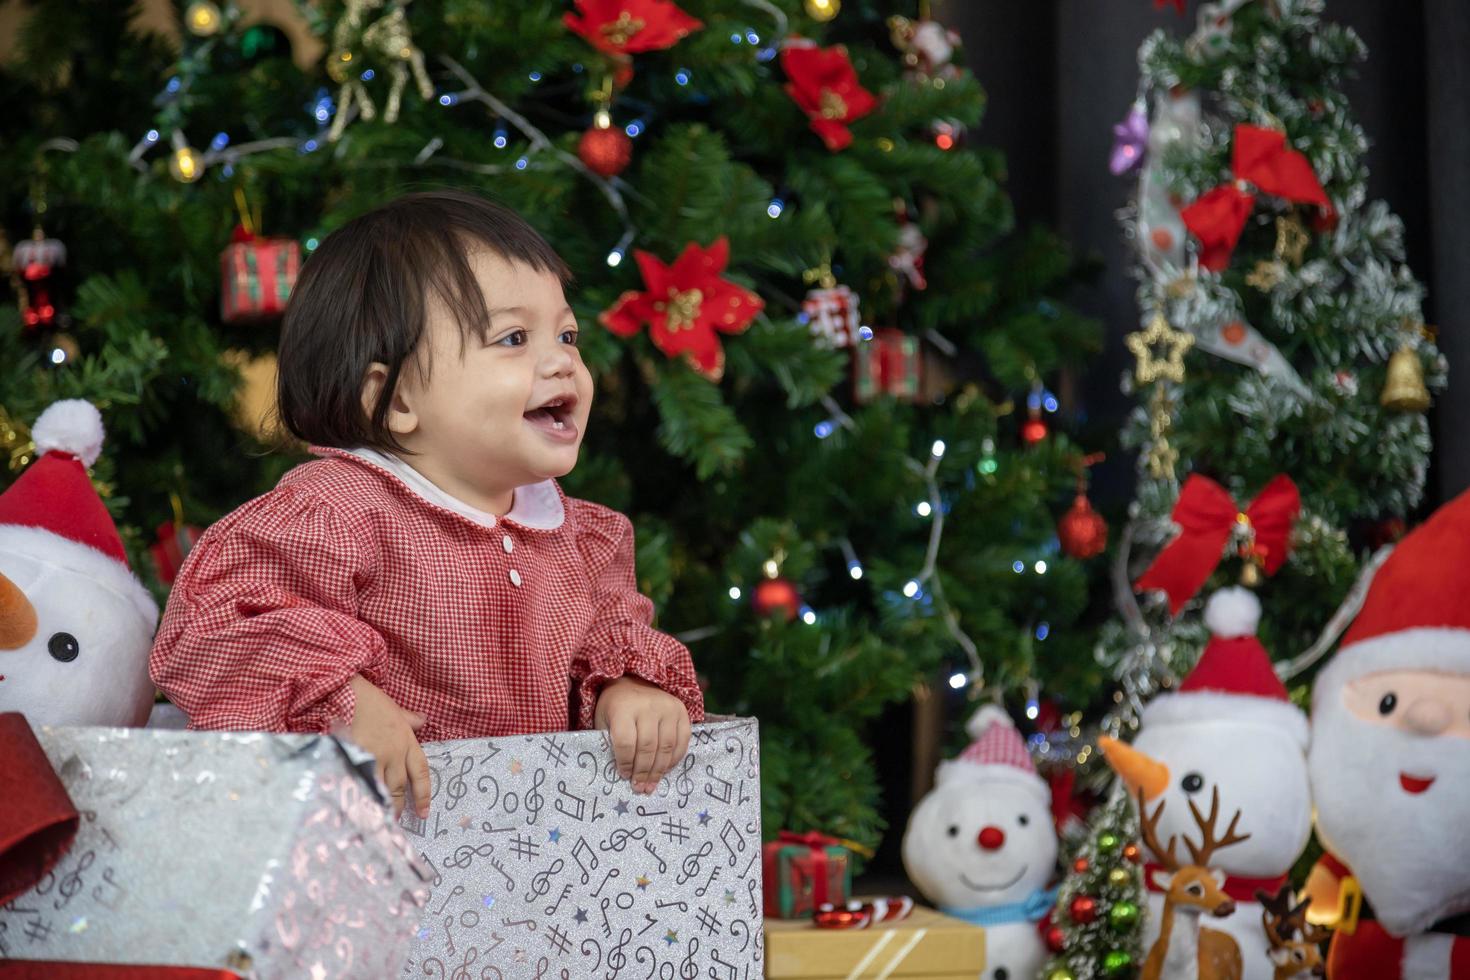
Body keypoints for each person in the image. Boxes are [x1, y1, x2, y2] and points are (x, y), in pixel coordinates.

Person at [150, 190, 704, 819]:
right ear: (394, 401)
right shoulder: (339, 512)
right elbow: (216, 627)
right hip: (372, 864)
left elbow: (608, 638)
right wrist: (343, 699)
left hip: (541, 868)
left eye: (567, 333)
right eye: (514, 337)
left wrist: (626, 688)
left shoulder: (581, 539)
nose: (563, 362)